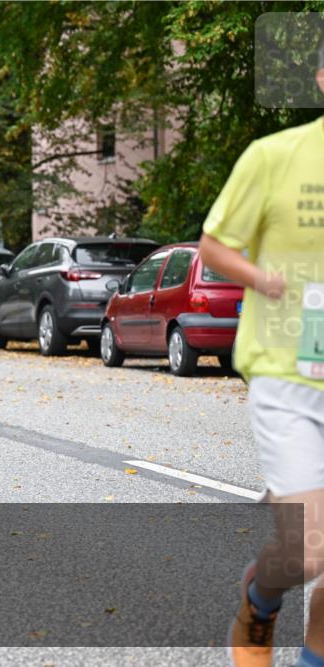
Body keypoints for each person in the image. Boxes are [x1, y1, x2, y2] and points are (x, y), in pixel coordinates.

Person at [199, 108, 323, 665]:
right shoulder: (275, 155)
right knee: (312, 547)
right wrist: (263, 278)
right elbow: (213, 247)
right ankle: (260, 597)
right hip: (288, 372)